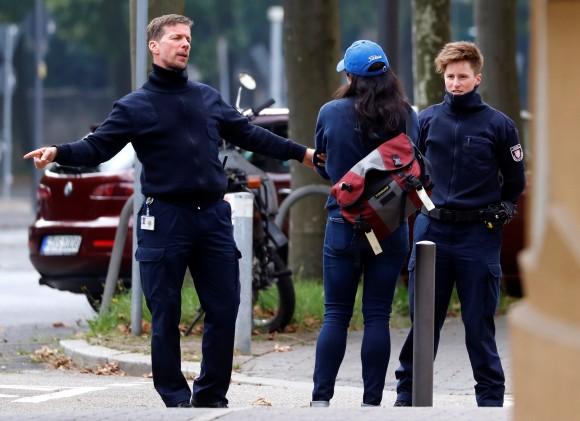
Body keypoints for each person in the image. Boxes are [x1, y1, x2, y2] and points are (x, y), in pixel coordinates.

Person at [24, 14, 316, 409]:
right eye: (176, 38)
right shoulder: (134, 107)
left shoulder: (207, 98)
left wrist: (303, 153)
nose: (184, 44)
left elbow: (251, 134)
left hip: (212, 218)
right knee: (164, 315)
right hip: (165, 219)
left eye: (188, 38)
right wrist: (60, 151)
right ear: (154, 46)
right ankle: (176, 399)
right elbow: (98, 146)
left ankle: (211, 396)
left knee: (225, 308)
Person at [394, 41, 526, 407]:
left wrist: (505, 207)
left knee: (478, 324)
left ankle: (490, 399)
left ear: (477, 78)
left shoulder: (499, 125)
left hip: (477, 236)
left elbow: (515, 181)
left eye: (462, 77)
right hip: (431, 231)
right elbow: (411, 169)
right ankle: (407, 395)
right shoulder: (427, 120)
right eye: (450, 76)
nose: (455, 83)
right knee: (424, 321)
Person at [310, 40, 417, 407]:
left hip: (344, 221)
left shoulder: (330, 112)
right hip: (389, 225)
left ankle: (321, 401)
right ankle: (371, 404)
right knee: (377, 316)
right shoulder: (406, 114)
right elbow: (412, 164)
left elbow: (324, 165)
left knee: (335, 314)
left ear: (351, 76)